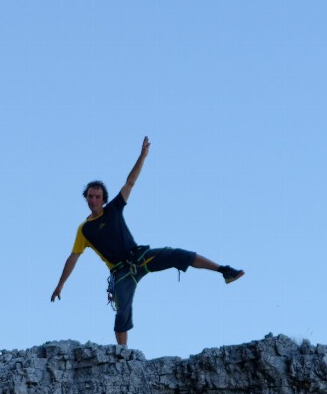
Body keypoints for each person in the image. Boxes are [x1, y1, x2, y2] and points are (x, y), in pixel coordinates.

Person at [50, 137, 243, 346]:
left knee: (179, 255)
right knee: (123, 310)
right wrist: (60, 284)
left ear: (103, 199)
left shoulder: (113, 209)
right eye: (90, 196)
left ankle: (224, 270)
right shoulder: (84, 229)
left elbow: (130, 182)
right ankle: (123, 356)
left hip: (140, 257)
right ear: (86, 198)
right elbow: (73, 257)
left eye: (97, 196)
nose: (93, 200)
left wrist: (142, 156)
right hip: (121, 272)